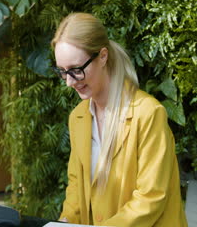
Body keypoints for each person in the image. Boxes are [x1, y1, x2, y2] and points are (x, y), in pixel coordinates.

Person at [51, 12, 188, 227]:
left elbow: (151, 198)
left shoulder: (148, 113)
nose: (69, 82)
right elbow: (76, 187)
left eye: (76, 70)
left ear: (103, 56)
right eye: (62, 71)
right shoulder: (78, 117)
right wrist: (65, 222)